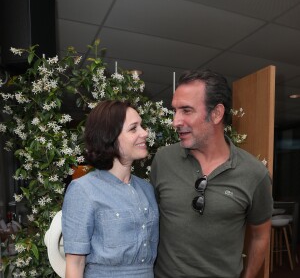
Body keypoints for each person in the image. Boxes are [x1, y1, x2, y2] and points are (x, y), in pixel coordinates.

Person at [150, 69, 273, 278]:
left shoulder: (255, 173)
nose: (175, 121)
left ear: (216, 113)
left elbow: (261, 236)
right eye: (175, 110)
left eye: (186, 110)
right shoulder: (163, 160)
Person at [62, 100, 159, 278]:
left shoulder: (146, 189)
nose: (145, 133)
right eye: (133, 128)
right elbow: (75, 264)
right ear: (110, 137)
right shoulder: (83, 190)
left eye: (142, 126)